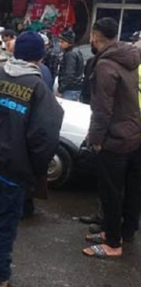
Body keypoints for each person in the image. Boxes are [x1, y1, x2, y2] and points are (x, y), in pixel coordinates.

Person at [0, 31, 63, 286]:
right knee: (2, 229)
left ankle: (2, 274)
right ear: (40, 57)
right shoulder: (39, 87)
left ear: (15, 51)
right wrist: (35, 170)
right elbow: (46, 136)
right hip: (12, 171)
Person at [82, 18, 141, 259]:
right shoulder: (130, 58)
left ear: (95, 36)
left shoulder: (105, 65)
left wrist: (95, 139)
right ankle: (123, 232)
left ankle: (112, 244)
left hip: (115, 139)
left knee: (111, 192)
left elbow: (102, 109)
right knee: (132, 189)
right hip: (135, 133)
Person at [57, 30, 84, 101]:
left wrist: (60, 89)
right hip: (74, 87)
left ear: (69, 43)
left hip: (70, 89)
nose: (60, 44)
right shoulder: (75, 51)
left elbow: (69, 75)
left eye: (62, 42)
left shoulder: (70, 54)